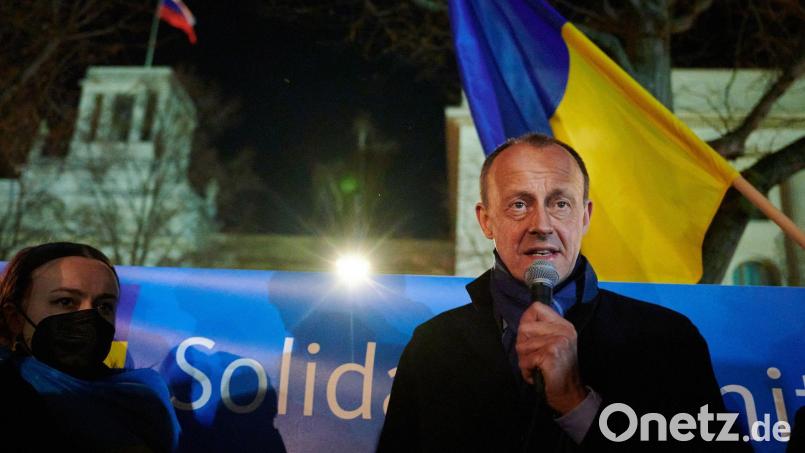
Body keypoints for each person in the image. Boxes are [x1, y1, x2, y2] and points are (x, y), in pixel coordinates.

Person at [377, 133, 750, 452]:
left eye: (560, 204)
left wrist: (577, 404)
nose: (541, 224)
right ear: (486, 220)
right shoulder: (433, 348)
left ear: (584, 217)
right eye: (519, 204)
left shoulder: (666, 340)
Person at [0, 242, 180, 452]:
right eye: (66, 301)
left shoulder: (144, 400)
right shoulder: (9, 395)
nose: (89, 317)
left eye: (104, 306)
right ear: (14, 317)